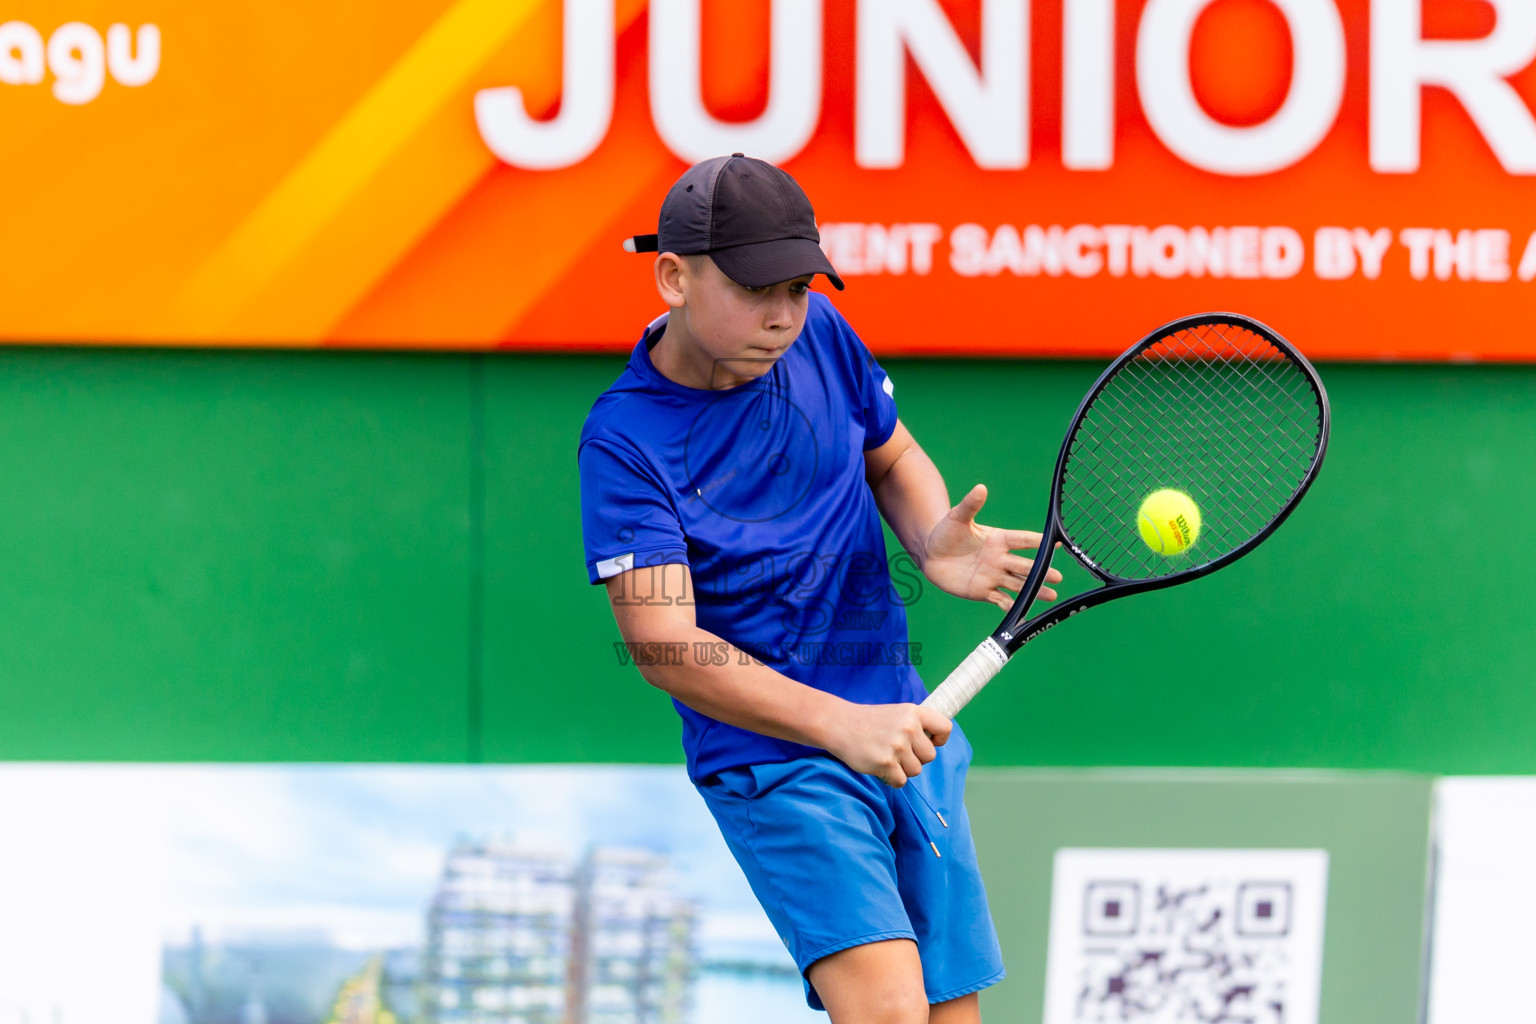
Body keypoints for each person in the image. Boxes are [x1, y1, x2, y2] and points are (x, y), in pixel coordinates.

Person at [578, 153, 1060, 1023]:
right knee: (889, 1014)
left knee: (952, 1015)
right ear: (672, 277)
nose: (784, 315)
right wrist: (842, 727)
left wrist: (930, 539)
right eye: (757, 289)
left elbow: (894, 454)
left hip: (903, 732)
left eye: (799, 288)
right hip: (777, 762)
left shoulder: (822, 338)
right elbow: (663, 644)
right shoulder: (622, 442)